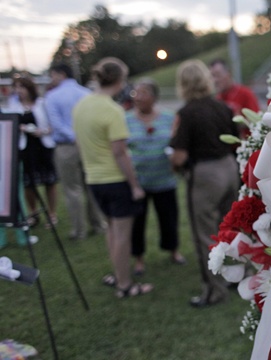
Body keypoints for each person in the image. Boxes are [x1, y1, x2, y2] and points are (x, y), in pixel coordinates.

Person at [73, 57, 152, 298]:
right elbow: (120, 152)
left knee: (111, 231)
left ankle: (118, 274)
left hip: (94, 180)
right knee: (122, 236)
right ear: (119, 80)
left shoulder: (81, 106)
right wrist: (135, 185)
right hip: (115, 181)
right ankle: (125, 284)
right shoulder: (113, 110)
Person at [170, 59, 240, 307]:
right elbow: (235, 139)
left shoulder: (186, 113)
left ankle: (214, 290)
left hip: (206, 174)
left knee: (206, 234)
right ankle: (236, 276)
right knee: (230, 228)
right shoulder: (222, 107)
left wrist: (174, 166)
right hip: (229, 168)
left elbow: (179, 155)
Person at [125, 78, 185, 275]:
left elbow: (176, 143)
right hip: (138, 182)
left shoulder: (169, 118)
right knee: (137, 223)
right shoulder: (126, 120)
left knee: (169, 219)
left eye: (142, 93)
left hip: (165, 180)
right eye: (135, 93)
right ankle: (139, 259)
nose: (137, 98)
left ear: (153, 97)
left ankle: (173, 251)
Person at [45, 63, 106, 240]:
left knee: (72, 189)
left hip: (66, 147)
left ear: (61, 74)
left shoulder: (52, 96)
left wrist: (73, 138)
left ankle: (79, 231)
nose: (51, 79)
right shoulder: (86, 93)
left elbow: (56, 124)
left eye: (53, 75)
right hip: (88, 144)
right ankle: (98, 224)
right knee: (91, 186)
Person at [4, 76, 58, 228]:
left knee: (49, 181)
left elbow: (52, 124)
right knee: (29, 183)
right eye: (16, 87)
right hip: (25, 148)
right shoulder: (13, 105)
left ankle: (52, 214)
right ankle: (33, 213)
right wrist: (18, 128)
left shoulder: (42, 103)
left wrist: (44, 131)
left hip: (42, 145)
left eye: (22, 87)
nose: (18, 90)